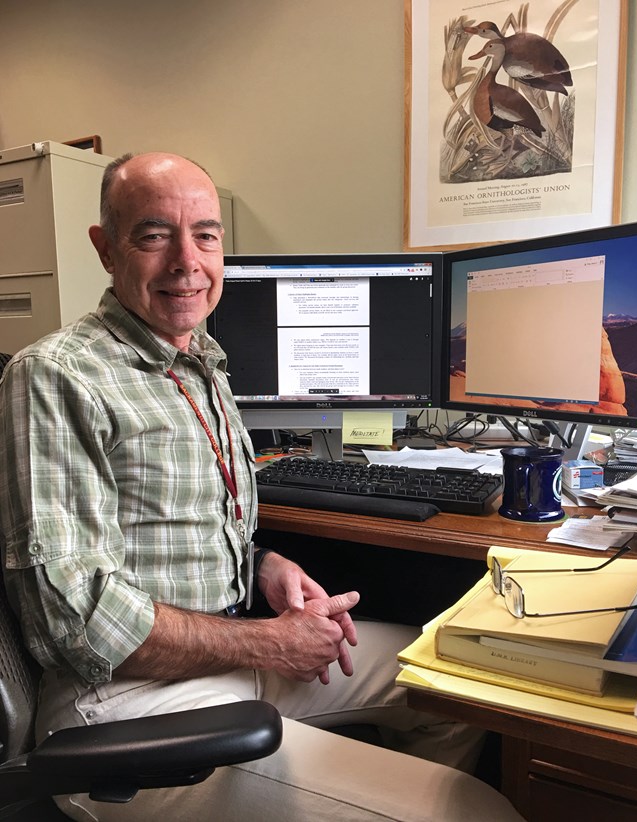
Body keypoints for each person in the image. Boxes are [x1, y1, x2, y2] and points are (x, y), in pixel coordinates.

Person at [0, 152, 523, 821]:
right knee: (479, 813)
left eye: (207, 235)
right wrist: (269, 642)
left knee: (457, 680)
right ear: (106, 249)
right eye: (154, 235)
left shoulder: (202, 369)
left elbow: (175, 536)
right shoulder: (56, 377)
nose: (188, 261)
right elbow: (75, 622)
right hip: (120, 708)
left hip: (218, 657)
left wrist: (264, 568)